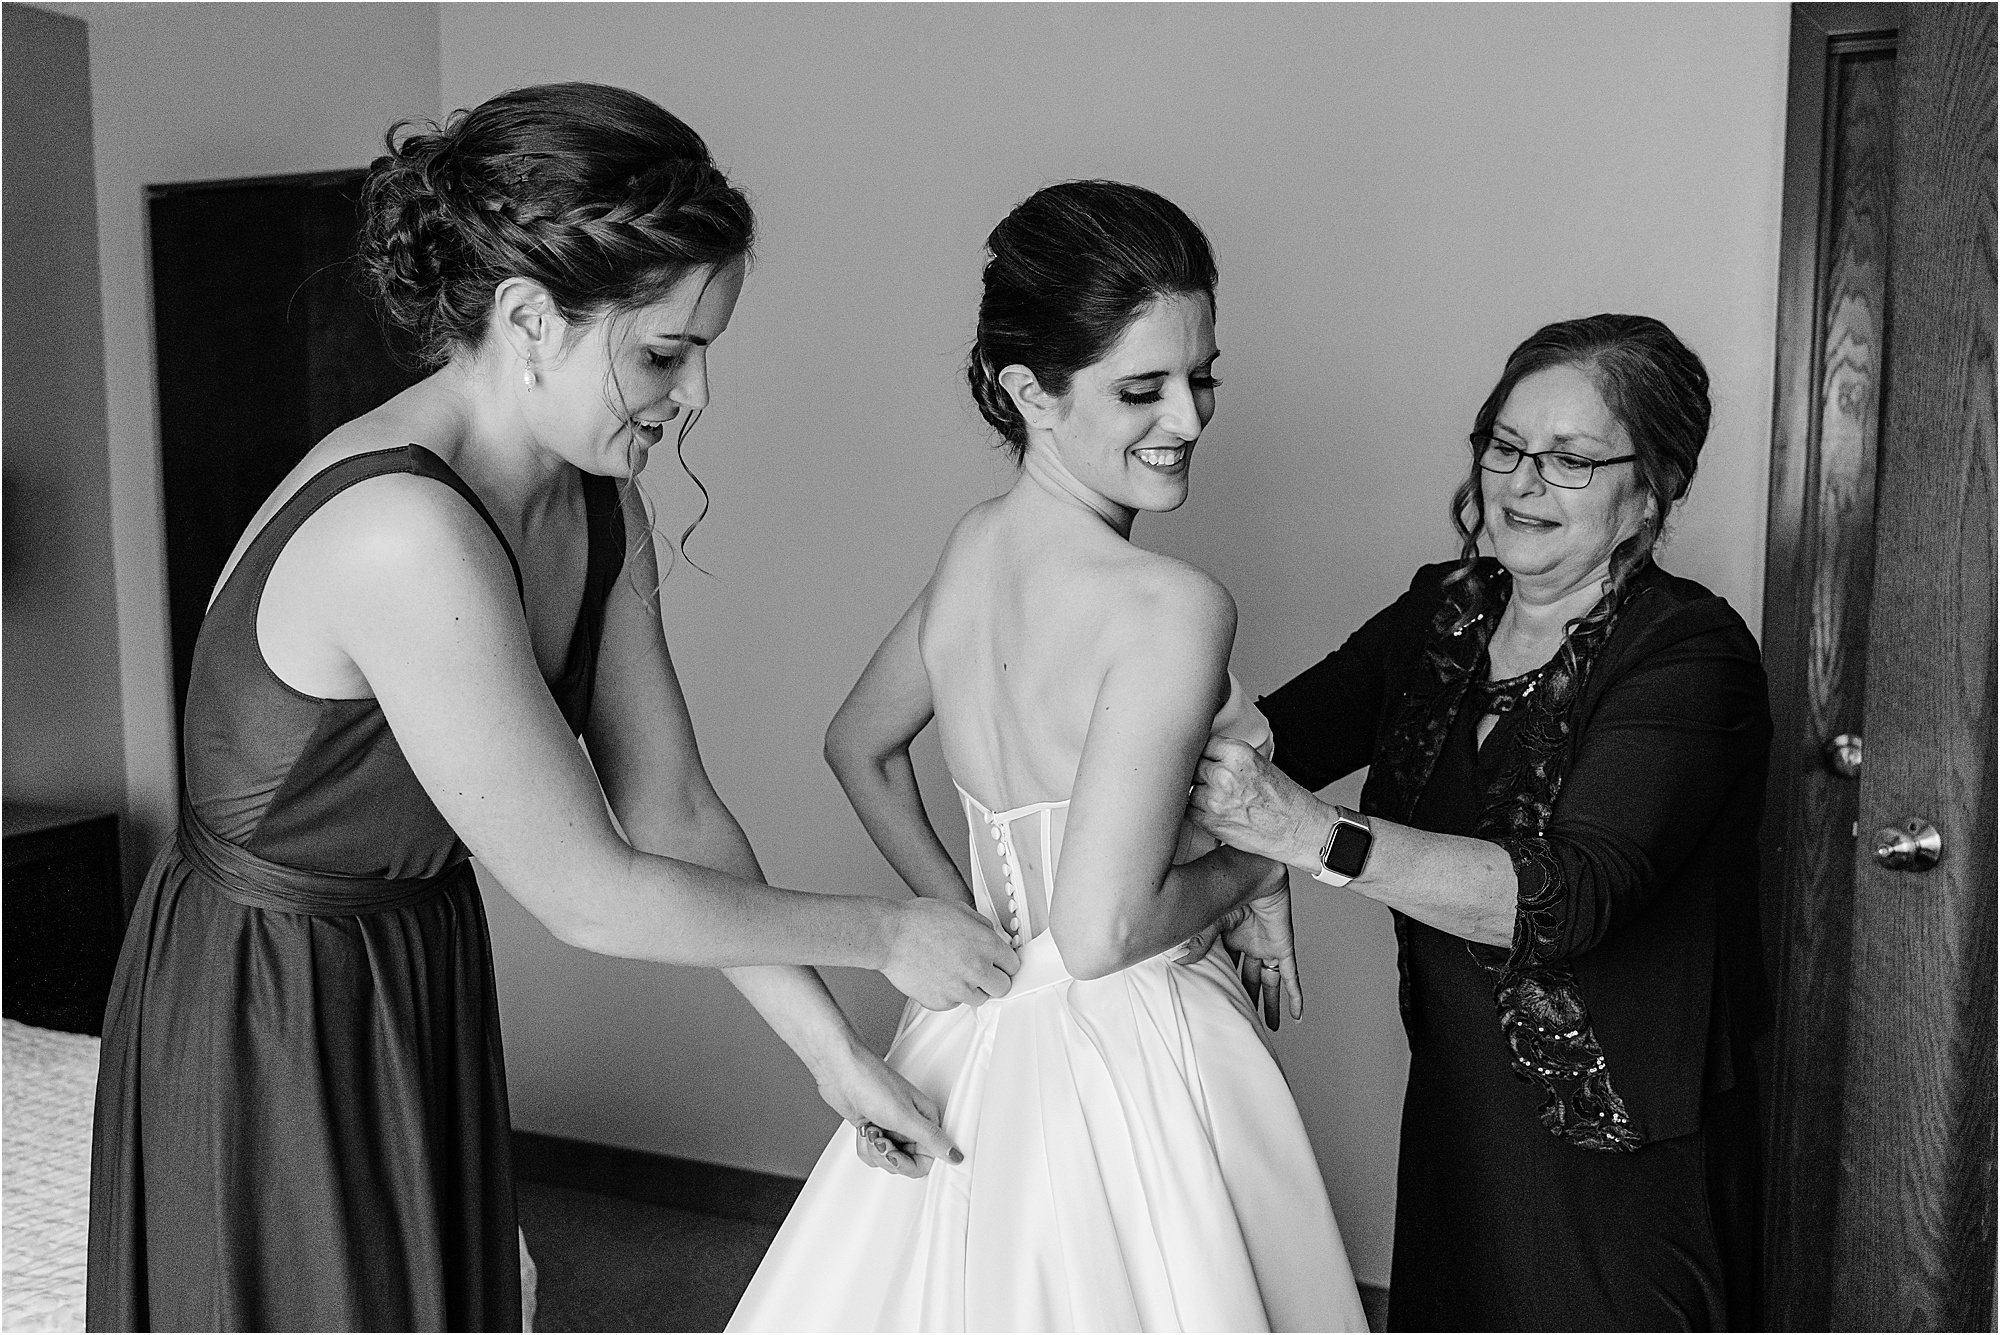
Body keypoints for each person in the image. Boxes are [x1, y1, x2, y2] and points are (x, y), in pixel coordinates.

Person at [87, 82, 1019, 1333]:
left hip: (412, 953)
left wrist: (828, 1053)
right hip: (267, 993)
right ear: (529, 317)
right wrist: (890, 932)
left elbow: (673, 810)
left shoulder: (596, 502)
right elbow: (590, 893)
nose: (691, 398)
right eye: (663, 354)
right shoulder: (402, 534)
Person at [728, 181, 1367, 1333]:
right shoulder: (1170, 607)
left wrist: (966, 919)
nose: (1188, 417)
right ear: (1028, 391)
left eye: (1200, 376)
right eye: (1141, 388)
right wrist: (1260, 861)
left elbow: (857, 747)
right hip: (1126, 1037)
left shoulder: (973, 548)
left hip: (977, 1028)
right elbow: (1102, 932)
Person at [1189, 313, 1770, 1330]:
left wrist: (1309, 841)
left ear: (1652, 491)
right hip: (1461, 1113)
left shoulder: (1689, 657)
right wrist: (1250, 872)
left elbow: (1567, 895)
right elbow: (1253, 748)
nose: (1520, 481)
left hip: (1618, 1145)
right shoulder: (1440, 616)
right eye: (1503, 446)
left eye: (1570, 459)